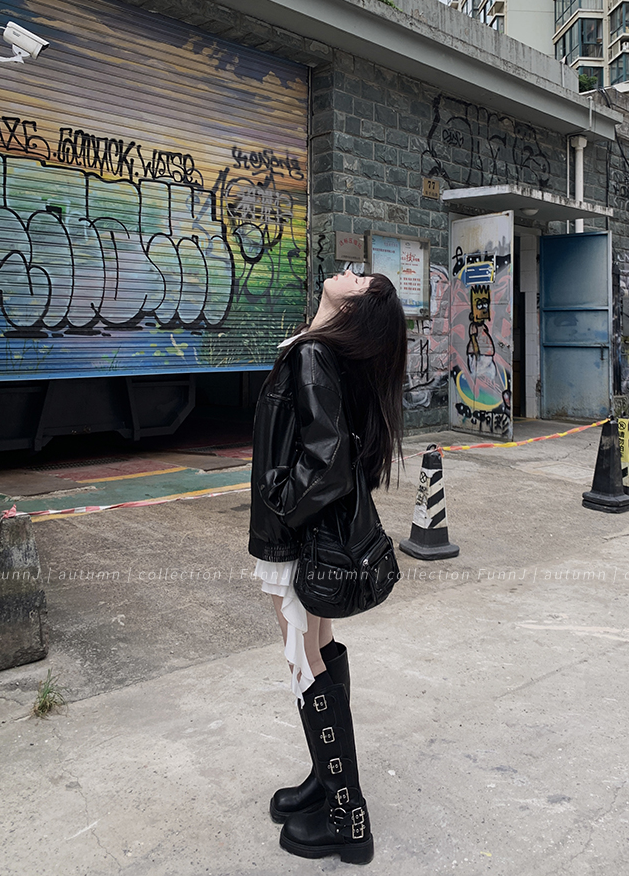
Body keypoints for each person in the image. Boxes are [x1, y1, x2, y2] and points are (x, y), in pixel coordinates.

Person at [248, 268, 407, 865]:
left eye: (360, 280)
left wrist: (278, 503)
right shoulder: (324, 352)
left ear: (355, 308)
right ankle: (325, 779)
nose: (348, 272)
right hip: (313, 535)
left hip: (295, 536)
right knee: (318, 644)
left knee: (302, 657)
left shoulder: (313, 355)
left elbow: (329, 459)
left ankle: (348, 815)